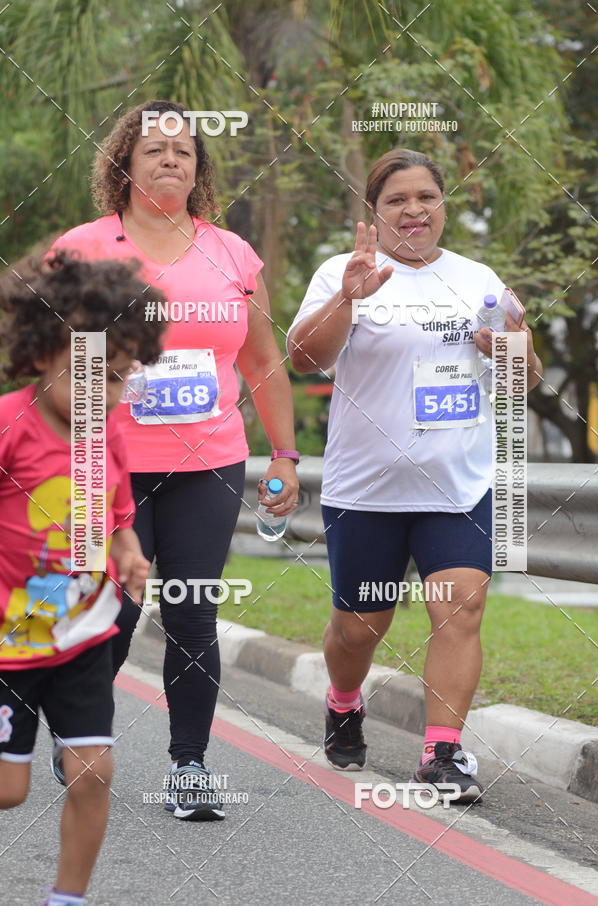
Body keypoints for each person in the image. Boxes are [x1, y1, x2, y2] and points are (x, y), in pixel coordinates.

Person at [53, 99, 300, 820]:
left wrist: (284, 453)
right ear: (125, 163)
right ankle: (79, 736)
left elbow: (262, 361)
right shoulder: (85, 247)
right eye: (155, 149)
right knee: (113, 614)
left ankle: (189, 766)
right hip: (109, 465)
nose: (170, 159)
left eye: (184, 151)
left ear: (199, 169)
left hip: (210, 463)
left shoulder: (230, 253)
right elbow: (54, 360)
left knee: (192, 613)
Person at [287, 148, 542, 803]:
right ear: (375, 211)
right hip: (365, 490)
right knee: (359, 627)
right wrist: (349, 298)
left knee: (460, 608)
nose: (414, 209)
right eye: (397, 199)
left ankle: (443, 754)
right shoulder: (345, 274)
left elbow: (521, 384)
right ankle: (344, 700)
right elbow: (303, 357)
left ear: (443, 204)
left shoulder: (480, 280)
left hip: (456, 488)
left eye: (426, 196)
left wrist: (516, 352)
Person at [0, 251, 166, 906]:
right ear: (43, 354)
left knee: (92, 771)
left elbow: (116, 507)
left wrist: (126, 549)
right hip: (13, 632)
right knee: (9, 790)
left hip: (82, 628)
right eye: (93, 371)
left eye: (120, 378)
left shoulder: (108, 434)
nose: (107, 393)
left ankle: (66, 900)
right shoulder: (11, 427)